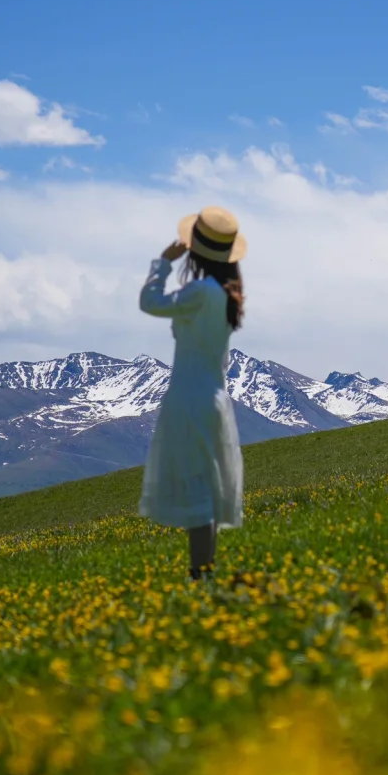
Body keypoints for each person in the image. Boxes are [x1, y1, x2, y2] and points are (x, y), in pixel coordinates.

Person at [138, 206, 247, 578]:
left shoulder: (199, 292)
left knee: (197, 487)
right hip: (214, 396)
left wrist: (163, 264)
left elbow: (150, 303)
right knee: (207, 482)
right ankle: (204, 568)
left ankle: (200, 571)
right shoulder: (225, 296)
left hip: (188, 396)